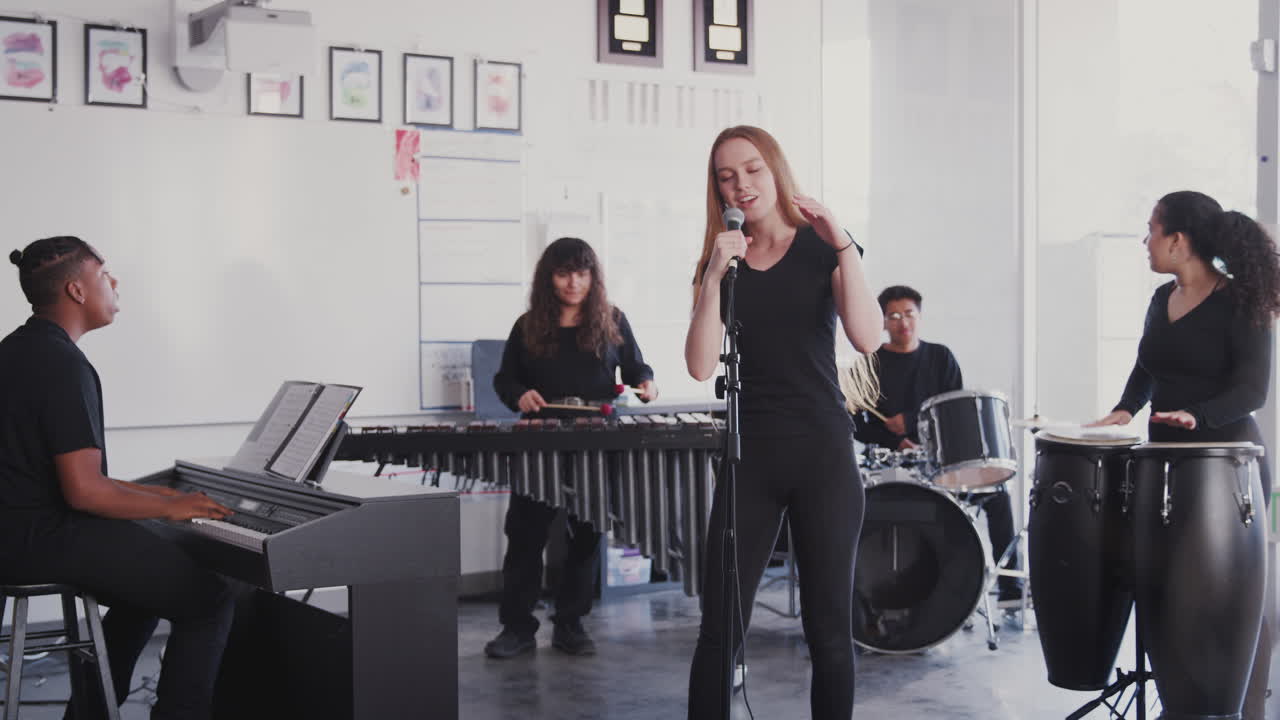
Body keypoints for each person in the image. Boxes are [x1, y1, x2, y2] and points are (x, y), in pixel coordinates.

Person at [684, 125, 882, 719]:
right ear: (717, 191)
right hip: (752, 459)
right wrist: (715, 276)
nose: (741, 185)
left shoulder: (825, 249)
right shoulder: (720, 259)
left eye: (752, 170)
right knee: (719, 628)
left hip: (823, 453)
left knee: (828, 632)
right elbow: (698, 367)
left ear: (775, 171)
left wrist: (844, 244)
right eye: (726, 176)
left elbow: (868, 336)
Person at [0, 236, 237, 720]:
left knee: (147, 583)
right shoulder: (63, 365)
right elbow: (85, 492)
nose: (115, 281)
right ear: (77, 291)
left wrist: (163, 495)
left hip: (16, 533)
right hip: (40, 541)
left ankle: (89, 712)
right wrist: (172, 508)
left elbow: (60, 476)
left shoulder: (17, 350)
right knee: (209, 600)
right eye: (104, 273)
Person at [1089, 191, 1280, 720]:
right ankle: (1186, 701)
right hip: (1165, 460)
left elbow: (1252, 391)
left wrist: (1199, 415)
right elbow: (1148, 362)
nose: (1145, 241)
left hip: (1227, 461)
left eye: (1151, 229)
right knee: (1169, 588)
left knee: (1232, 592)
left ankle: (1245, 708)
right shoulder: (1160, 298)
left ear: (1177, 240)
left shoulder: (1240, 301)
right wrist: (1125, 408)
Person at [485, 236, 657, 659]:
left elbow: (637, 367)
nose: (573, 283)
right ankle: (517, 628)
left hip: (594, 445)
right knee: (525, 537)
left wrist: (647, 383)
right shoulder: (528, 326)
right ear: (549, 278)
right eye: (563, 273)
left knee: (585, 536)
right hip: (539, 444)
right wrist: (520, 396)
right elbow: (505, 380)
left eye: (581, 273)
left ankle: (571, 624)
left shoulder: (612, 320)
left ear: (593, 277)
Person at [852, 285, 1024, 606]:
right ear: (883, 322)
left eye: (909, 314)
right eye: (894, 315)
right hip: (892, 466)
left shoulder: (940, 357)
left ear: (919, 316)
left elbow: (954, 410)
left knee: (998, 497)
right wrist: (893, 439)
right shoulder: (870, 364)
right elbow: (857, 425)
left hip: (940, 463)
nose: (903, 321)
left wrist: (911, 419)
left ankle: (1010, 592)